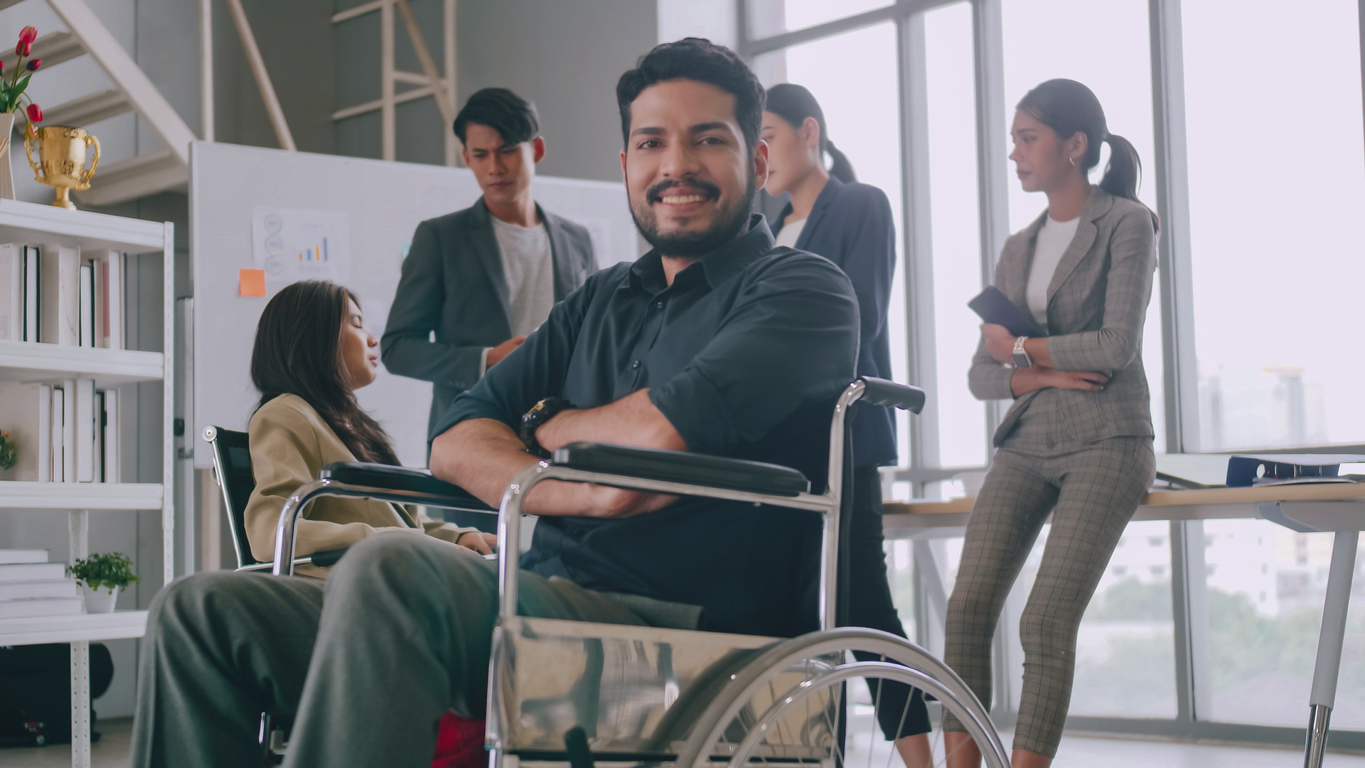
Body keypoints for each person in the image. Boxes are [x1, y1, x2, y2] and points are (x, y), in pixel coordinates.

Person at [130, 38, 859, 768]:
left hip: (690, 624)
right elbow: (454, 436)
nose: (675, 166)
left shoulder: (802, 289)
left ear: (757, 163)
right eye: (650, 144)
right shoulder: (602, 298)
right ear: (626, 166)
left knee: (391, 568)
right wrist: (589, 489)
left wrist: (548, 426)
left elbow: (663, 429)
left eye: (707, 140)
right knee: (199, 612)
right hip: (546, 592)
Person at [941, 79, 1159, 768]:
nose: (1014, 153)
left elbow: (1114, 344)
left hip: (1108, 439)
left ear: (1074, 146)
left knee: (1043, 621)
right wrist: (1041, 374)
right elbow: (982, 376)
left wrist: (1027, 351)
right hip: (1027, 443)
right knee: (967, 609)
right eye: (1012, 139)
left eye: (1026, 138)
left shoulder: (1127, 222)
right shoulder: (1017, 246)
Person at [762, 83, 931, 767]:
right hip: (781, 446)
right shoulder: (767, 227)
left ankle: (919, 760)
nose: (759, 152)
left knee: (862, 602)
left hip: (843, 433)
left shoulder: (860, 205)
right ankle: (813, 754)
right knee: (800, 611)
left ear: (810, 131)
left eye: (768, 134)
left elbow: (858, 314)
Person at [381, 87, 598, 459]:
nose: (494, 168)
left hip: (561, 439)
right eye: (480, 155)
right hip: (473, 437)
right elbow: (397, 348)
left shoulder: (576, 240)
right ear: (466, 157)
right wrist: (485, 359)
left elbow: (595, 338)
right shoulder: (440, 238)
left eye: (508, 151)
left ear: (537, 150)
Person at [243, 280, 495, 577]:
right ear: (315, 336)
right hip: (353, 591)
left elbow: (405, 523)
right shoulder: (285, 414)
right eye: (358, 325)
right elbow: (272, 532)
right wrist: (398, 542)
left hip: (391, 580)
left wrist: (453, 536)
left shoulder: (348, 424)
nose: (373, 340)